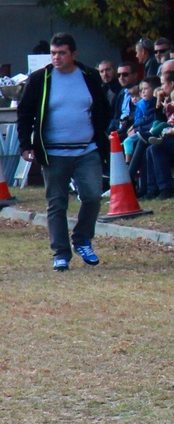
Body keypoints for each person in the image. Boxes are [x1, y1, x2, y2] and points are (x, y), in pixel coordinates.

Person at [18, 33, 111, 270]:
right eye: (53, 53)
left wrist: (101, 133)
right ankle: (60, 253)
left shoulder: (89, 75)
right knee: (56, 202)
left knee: (92, 196)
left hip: (87, 149)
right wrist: (26, 145)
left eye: (62, 53)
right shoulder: (41, 78)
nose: (56, 58)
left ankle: (82, 239)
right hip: (53, 152)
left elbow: (102, 108)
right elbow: (25, 113)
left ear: (74, 54)